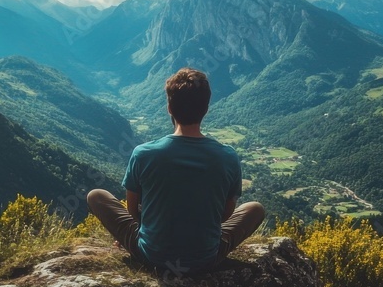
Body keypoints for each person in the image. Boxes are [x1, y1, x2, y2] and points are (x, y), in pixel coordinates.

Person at [87, 67, 266, 274]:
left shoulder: (143, 154)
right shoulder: (228, 157)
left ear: (169, 108)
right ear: (206, 109)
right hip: (205, 258)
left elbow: (132, 210)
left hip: (152, 256)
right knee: (255, 209)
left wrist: (155, 224)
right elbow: (225, 215)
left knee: (96, 195)